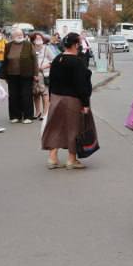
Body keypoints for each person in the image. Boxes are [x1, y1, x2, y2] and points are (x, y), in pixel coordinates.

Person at [43, 32, 94, 170]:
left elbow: (51, 81)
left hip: (56, 98)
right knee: (73, 128)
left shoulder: (57, 59)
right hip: (72, 100)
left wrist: (51, 98)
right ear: (76, 45)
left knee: (55, 127)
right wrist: (85, 103)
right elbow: (81, 85)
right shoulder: (77, 62)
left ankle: (52, 158)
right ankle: (72, 159)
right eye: (79, 43)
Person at [0, 29, 37, 123]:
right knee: (13, 96)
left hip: (26, 74)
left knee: (26, 95)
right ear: (12, 36)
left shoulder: (28, 45)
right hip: (12, 75)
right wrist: (4, 75)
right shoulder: (8, 45)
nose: (20, 36)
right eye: (17, 34)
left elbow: (34, 59)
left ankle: (28, 116)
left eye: (21, 34)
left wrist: (35, 74)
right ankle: (15, 116)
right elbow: (5, 60)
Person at [31, 32, 55, 120]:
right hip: (33, 75)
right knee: (35, 94)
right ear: (33, 40)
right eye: (36, 38)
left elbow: (54, 60)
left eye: (40, 38)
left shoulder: (46, 48)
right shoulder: (31, 48)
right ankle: (37, 112)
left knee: (45, 94)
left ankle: (45, 113)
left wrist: (45, 66)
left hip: (45, 74)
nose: (38, 40)